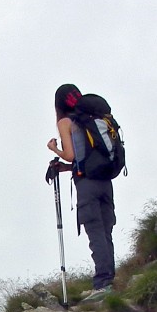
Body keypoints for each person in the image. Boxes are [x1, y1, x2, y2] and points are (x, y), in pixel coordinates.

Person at [46, 83, 116, 300]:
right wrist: (66, 169)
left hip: (87, 185)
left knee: (94, 232)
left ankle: (103, 285)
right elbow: (81, 157)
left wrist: (53, 148)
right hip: (105, 180)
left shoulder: (66, 122)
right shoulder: (94, 119)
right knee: (105, 231)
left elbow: (70, 155)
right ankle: (109, 280)